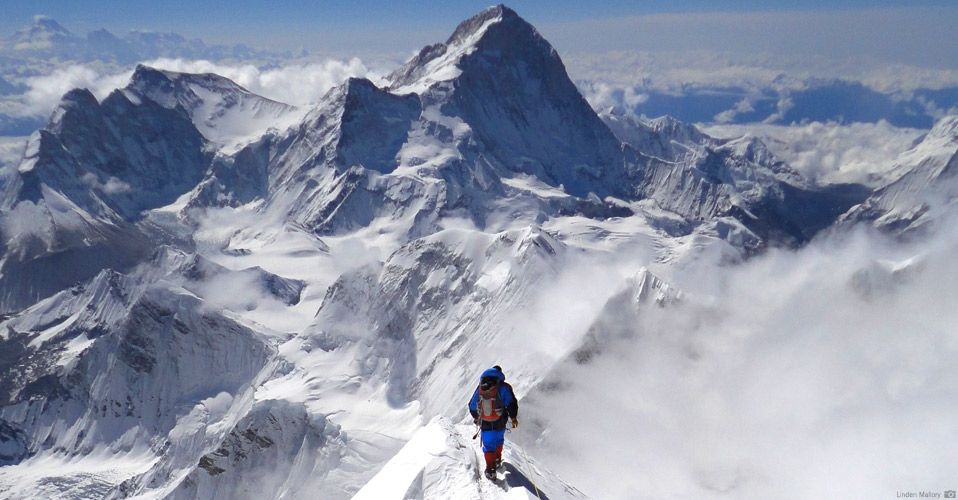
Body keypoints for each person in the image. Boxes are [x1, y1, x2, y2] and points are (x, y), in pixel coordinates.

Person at [468, 365, 518, 480]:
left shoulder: (481, 388)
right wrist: (513, 417)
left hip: (485, 423)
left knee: (489, 444)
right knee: (499, 439)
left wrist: (477, 417)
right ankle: (497, 459)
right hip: (500, 421)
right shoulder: (504, 387)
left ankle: (491, 470)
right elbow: (511, 403)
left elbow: (472, 405)